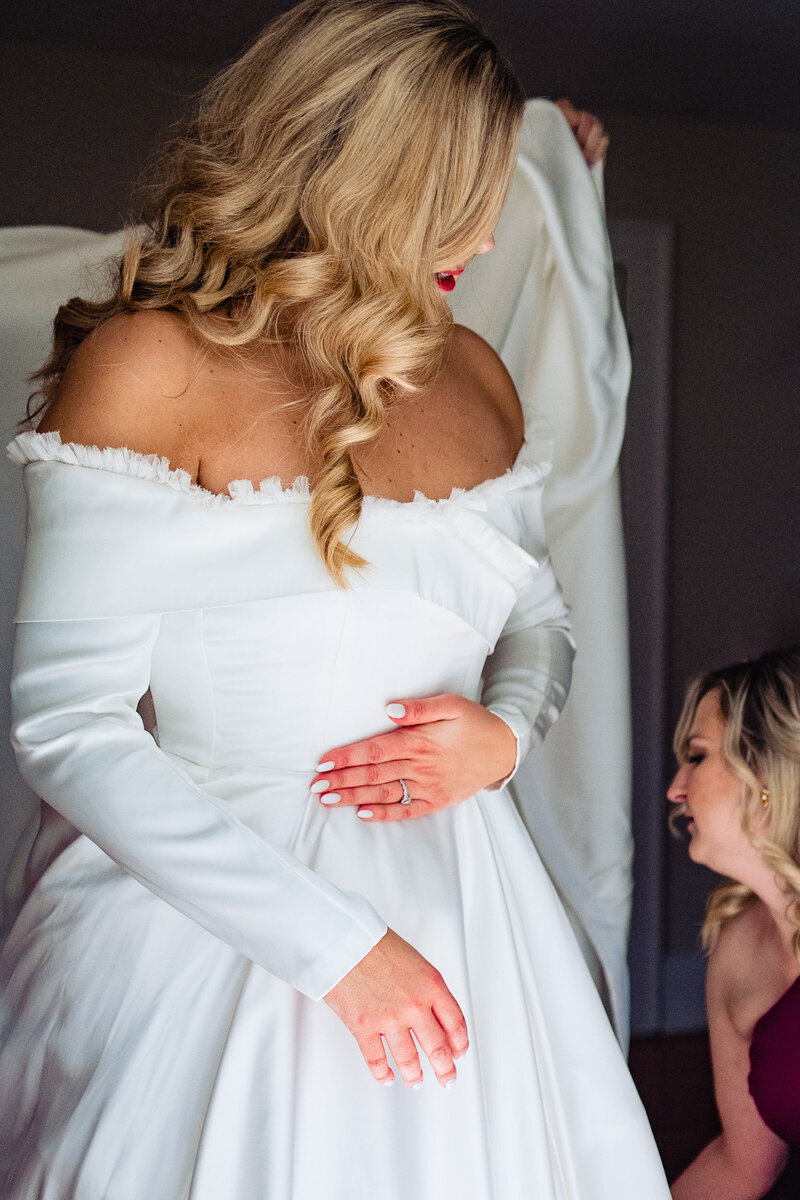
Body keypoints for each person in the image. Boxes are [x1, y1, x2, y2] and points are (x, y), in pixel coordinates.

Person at [0, 2, 669, 1196]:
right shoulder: (151, 364)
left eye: (493, 181)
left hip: (476, 917)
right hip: (208, 931)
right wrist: (340, 954)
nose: (484, 224)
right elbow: (68, 723)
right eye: (453, 186)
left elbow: (537, 620)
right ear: (351, 169)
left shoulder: (471, 370)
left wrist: (504, 736)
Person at [668, 647, 800, 1199]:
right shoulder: (737, 942)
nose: (675, 790)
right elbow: (741, 1163)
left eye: (697, 757)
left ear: (765, 771)